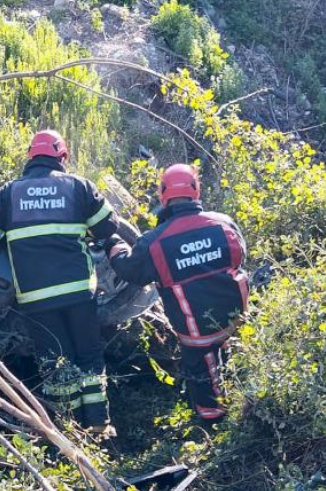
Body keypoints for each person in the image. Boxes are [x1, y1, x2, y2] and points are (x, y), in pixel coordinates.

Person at [0, 130, 119, 434]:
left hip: (36, 298)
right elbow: (108, 226)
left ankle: (68, 429)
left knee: (56, 361)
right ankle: (98, 423)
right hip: (79, 291)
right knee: (88, 354)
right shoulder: (79, 187)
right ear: (63, 156)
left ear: (30, 156)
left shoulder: (9, 194)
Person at [106, 164, 248, 422]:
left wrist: (114, 245)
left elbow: (131, 271)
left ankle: (212, 421)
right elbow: (240, 256)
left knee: (201, 370)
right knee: (223, 351)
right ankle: (234, 391)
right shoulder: (224, 223)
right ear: (196, 191)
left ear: (163, 194)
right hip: (235, 315)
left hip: (196, 329)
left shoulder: (154, 242)